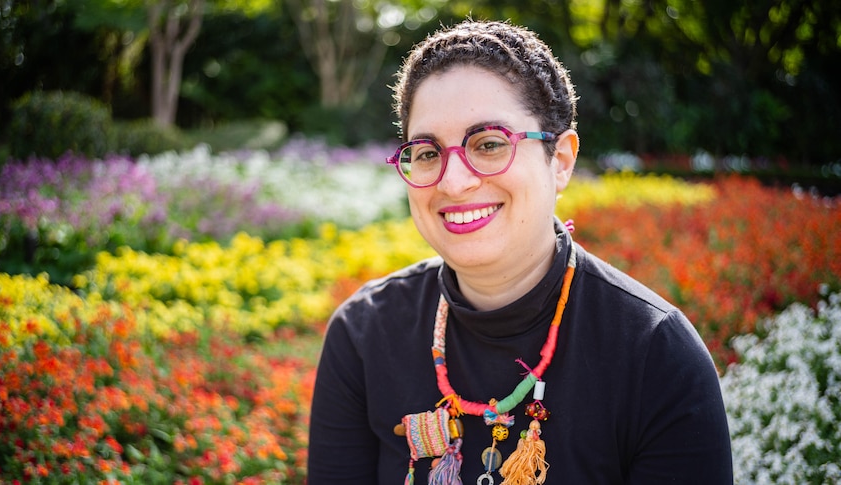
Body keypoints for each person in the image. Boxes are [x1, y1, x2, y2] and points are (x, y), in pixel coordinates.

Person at [307, 19, 733, 484]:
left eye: (489, 144)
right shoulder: (364, 336)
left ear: (562, 161)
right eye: (428, 152)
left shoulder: (656, 353)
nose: (453, 181)